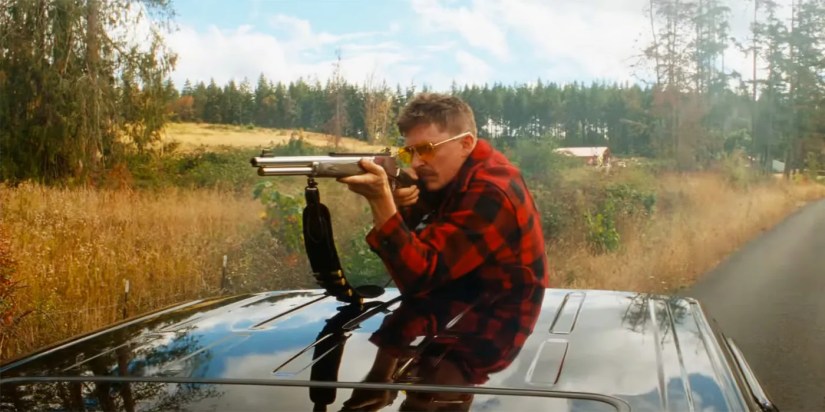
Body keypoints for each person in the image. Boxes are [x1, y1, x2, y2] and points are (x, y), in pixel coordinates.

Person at [337, 92, 549, 298]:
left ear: (465, 143)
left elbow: (419, 279)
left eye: (426, 149)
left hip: (489, 321)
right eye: (409, 152)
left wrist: (380, 200)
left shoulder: (492, 191)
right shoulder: (454, 176)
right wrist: (399, 204)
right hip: (458, 306)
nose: (416, 163)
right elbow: (406, 247)